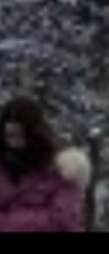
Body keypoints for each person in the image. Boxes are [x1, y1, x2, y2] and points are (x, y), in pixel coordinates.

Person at [0, 96, 86, 233]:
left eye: (19, 132)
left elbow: (64, 221)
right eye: (9, 134)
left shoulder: (63, 170)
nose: (14, 138)